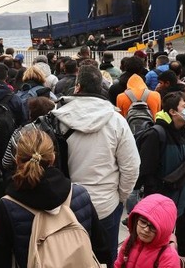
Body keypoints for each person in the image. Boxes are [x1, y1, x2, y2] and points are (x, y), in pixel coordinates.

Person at [52, 65, 141, 262]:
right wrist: (121, 196)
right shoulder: (117, 121)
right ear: (100, 87)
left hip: (67, 203)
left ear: (77, 87)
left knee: (70, 259)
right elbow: (131, 166)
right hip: (105, 204)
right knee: (105, 257)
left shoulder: (58, 118)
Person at [0, 129, 111, 267]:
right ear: (53, 158)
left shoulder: (7, 207)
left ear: (16, 159)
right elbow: (101, 249)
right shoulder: (79, 194)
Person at [136, 91, 185, 254]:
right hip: (159, 202)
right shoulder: (156, 134)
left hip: (179, 200)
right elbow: (147, 172)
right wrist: (155, 199)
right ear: (173, 112)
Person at [115, 194, 181, 268]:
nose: (146, 229)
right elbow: (118, 265)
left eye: (153, 226)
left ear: (164, 230)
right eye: (143, 222)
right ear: (136, 220)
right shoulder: (130, 241)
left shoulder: (168, 258)